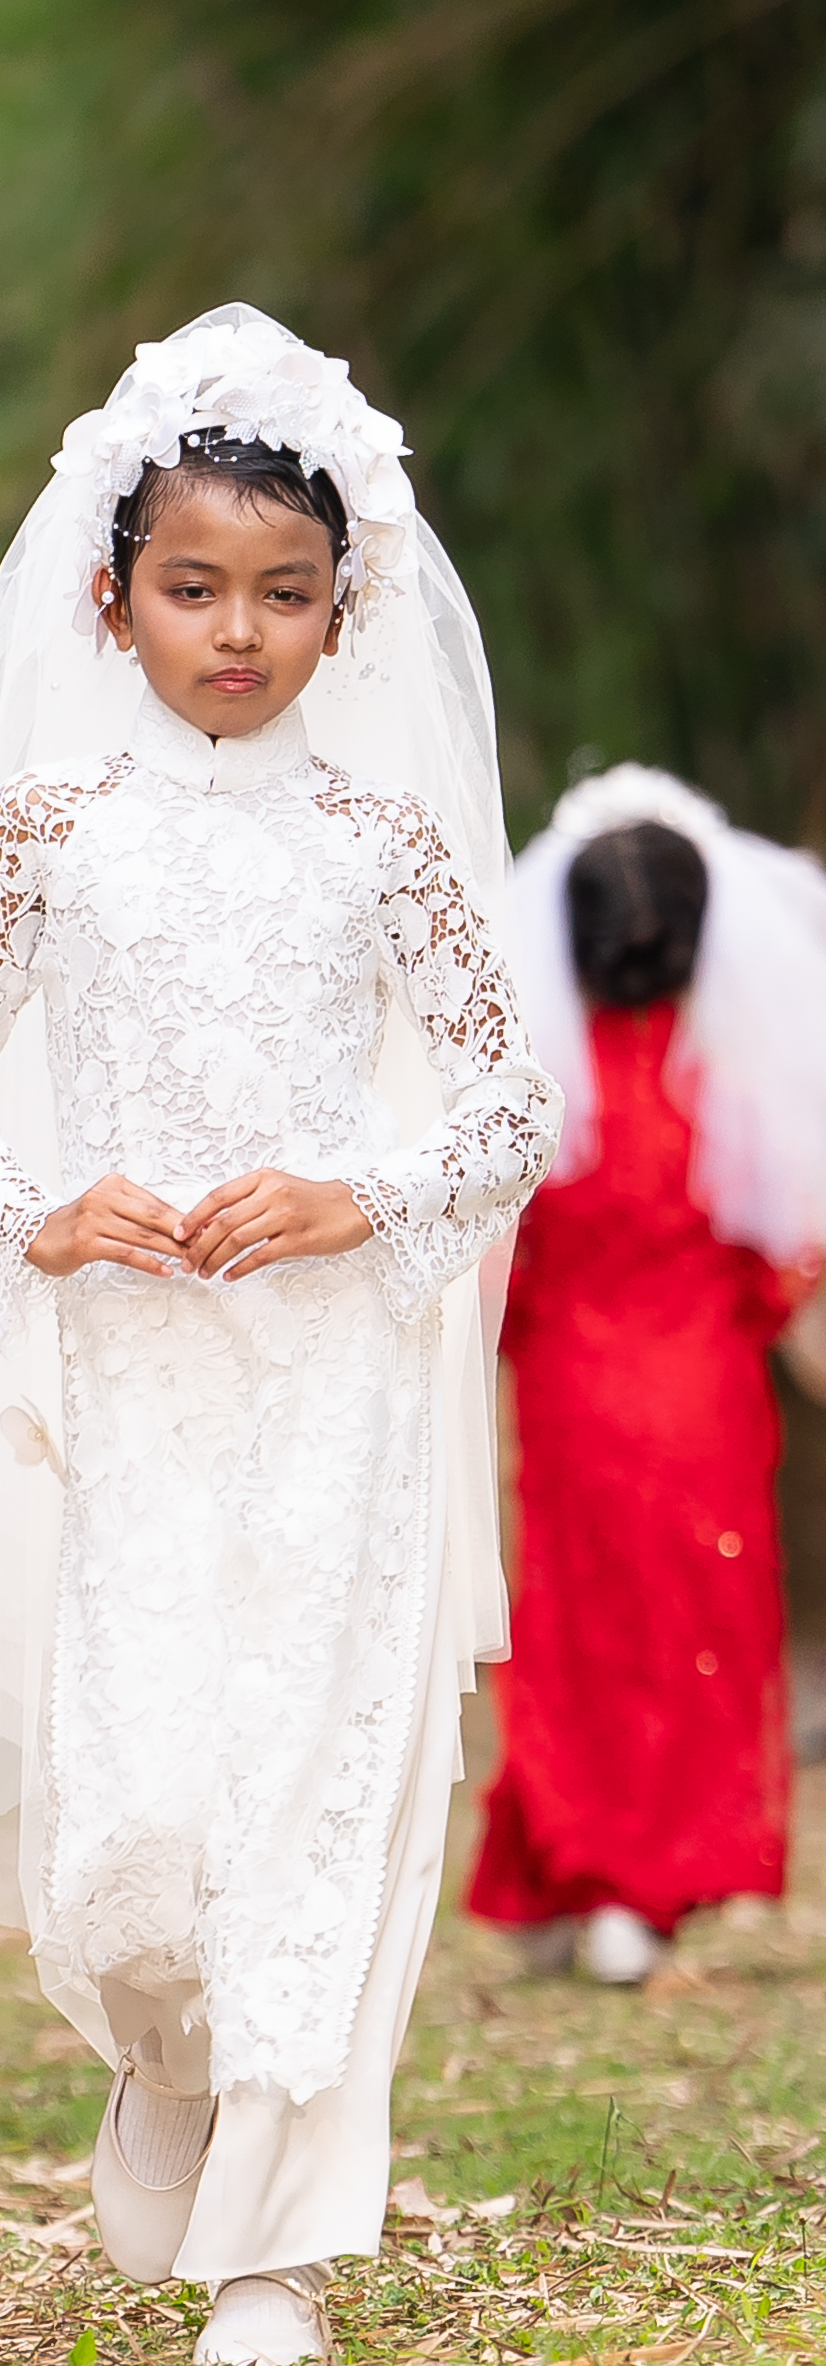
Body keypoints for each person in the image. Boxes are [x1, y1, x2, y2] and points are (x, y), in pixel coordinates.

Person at [0, 304, 559, 2366]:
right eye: (194, 588)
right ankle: (157, 2048)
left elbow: (513, 1102)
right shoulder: (48, 827)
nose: (237, 630)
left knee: (323, 1765)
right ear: (111, 595)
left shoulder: (388, 838)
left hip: (338, 1368)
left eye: (285, 593)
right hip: (132, 1374)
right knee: (138, 1821)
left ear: (349, 610)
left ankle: (280, 2241)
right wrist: (35, 1209)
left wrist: (374, 1190)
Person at [468, 769, 826, 1983]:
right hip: (710, 1391)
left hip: (569, 1387)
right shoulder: (736, 1078)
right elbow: (776, 1263)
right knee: (695, 1626)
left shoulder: (532, 1085)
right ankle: (640, 1884)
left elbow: (501, 1268)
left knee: (574, 1626)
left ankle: (574, 1865)